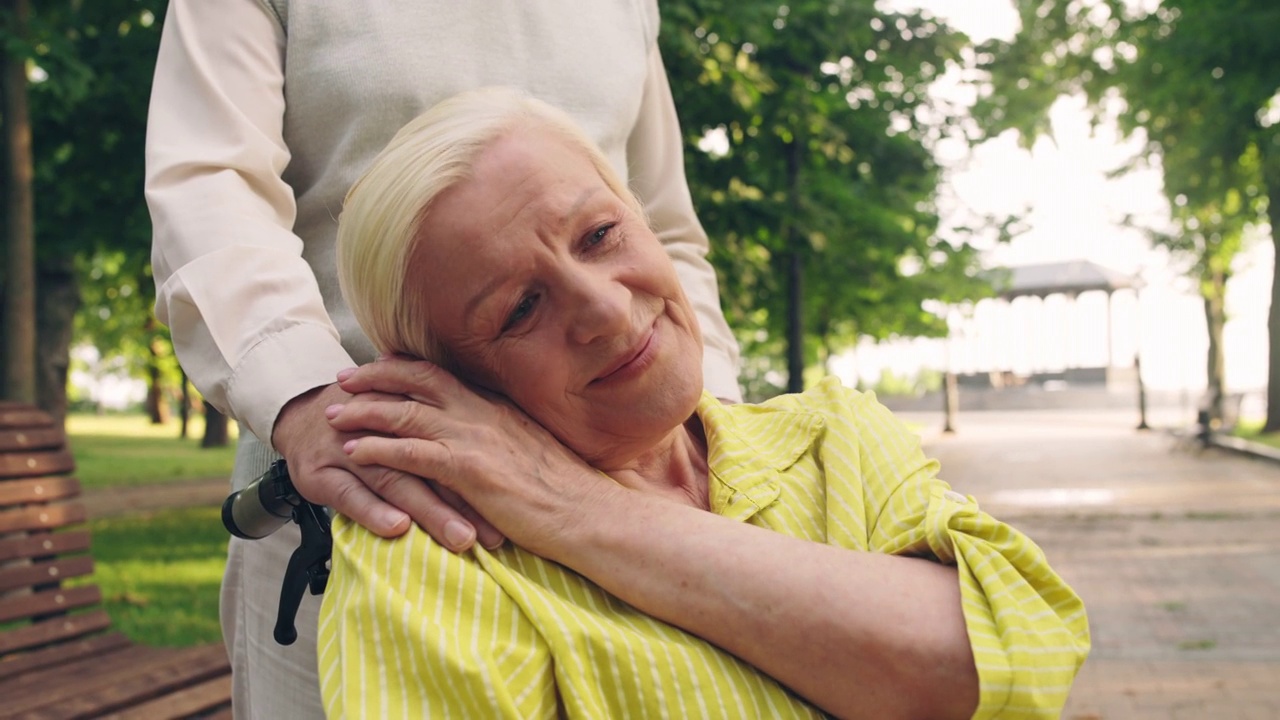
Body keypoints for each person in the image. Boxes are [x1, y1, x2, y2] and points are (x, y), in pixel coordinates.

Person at [318, 87, 1091, 720]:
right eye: (519, 309)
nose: (610, 312)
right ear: (449, 380)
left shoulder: (831, 436)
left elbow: (1003, 660)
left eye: (598, 234)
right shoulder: (435, 549)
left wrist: (583, 513)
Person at [144, 1, 742, 716]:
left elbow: (664, 221)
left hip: (637, 495)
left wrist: (720, 428)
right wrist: (308, 404)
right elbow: (210, 183)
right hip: (373, 491)